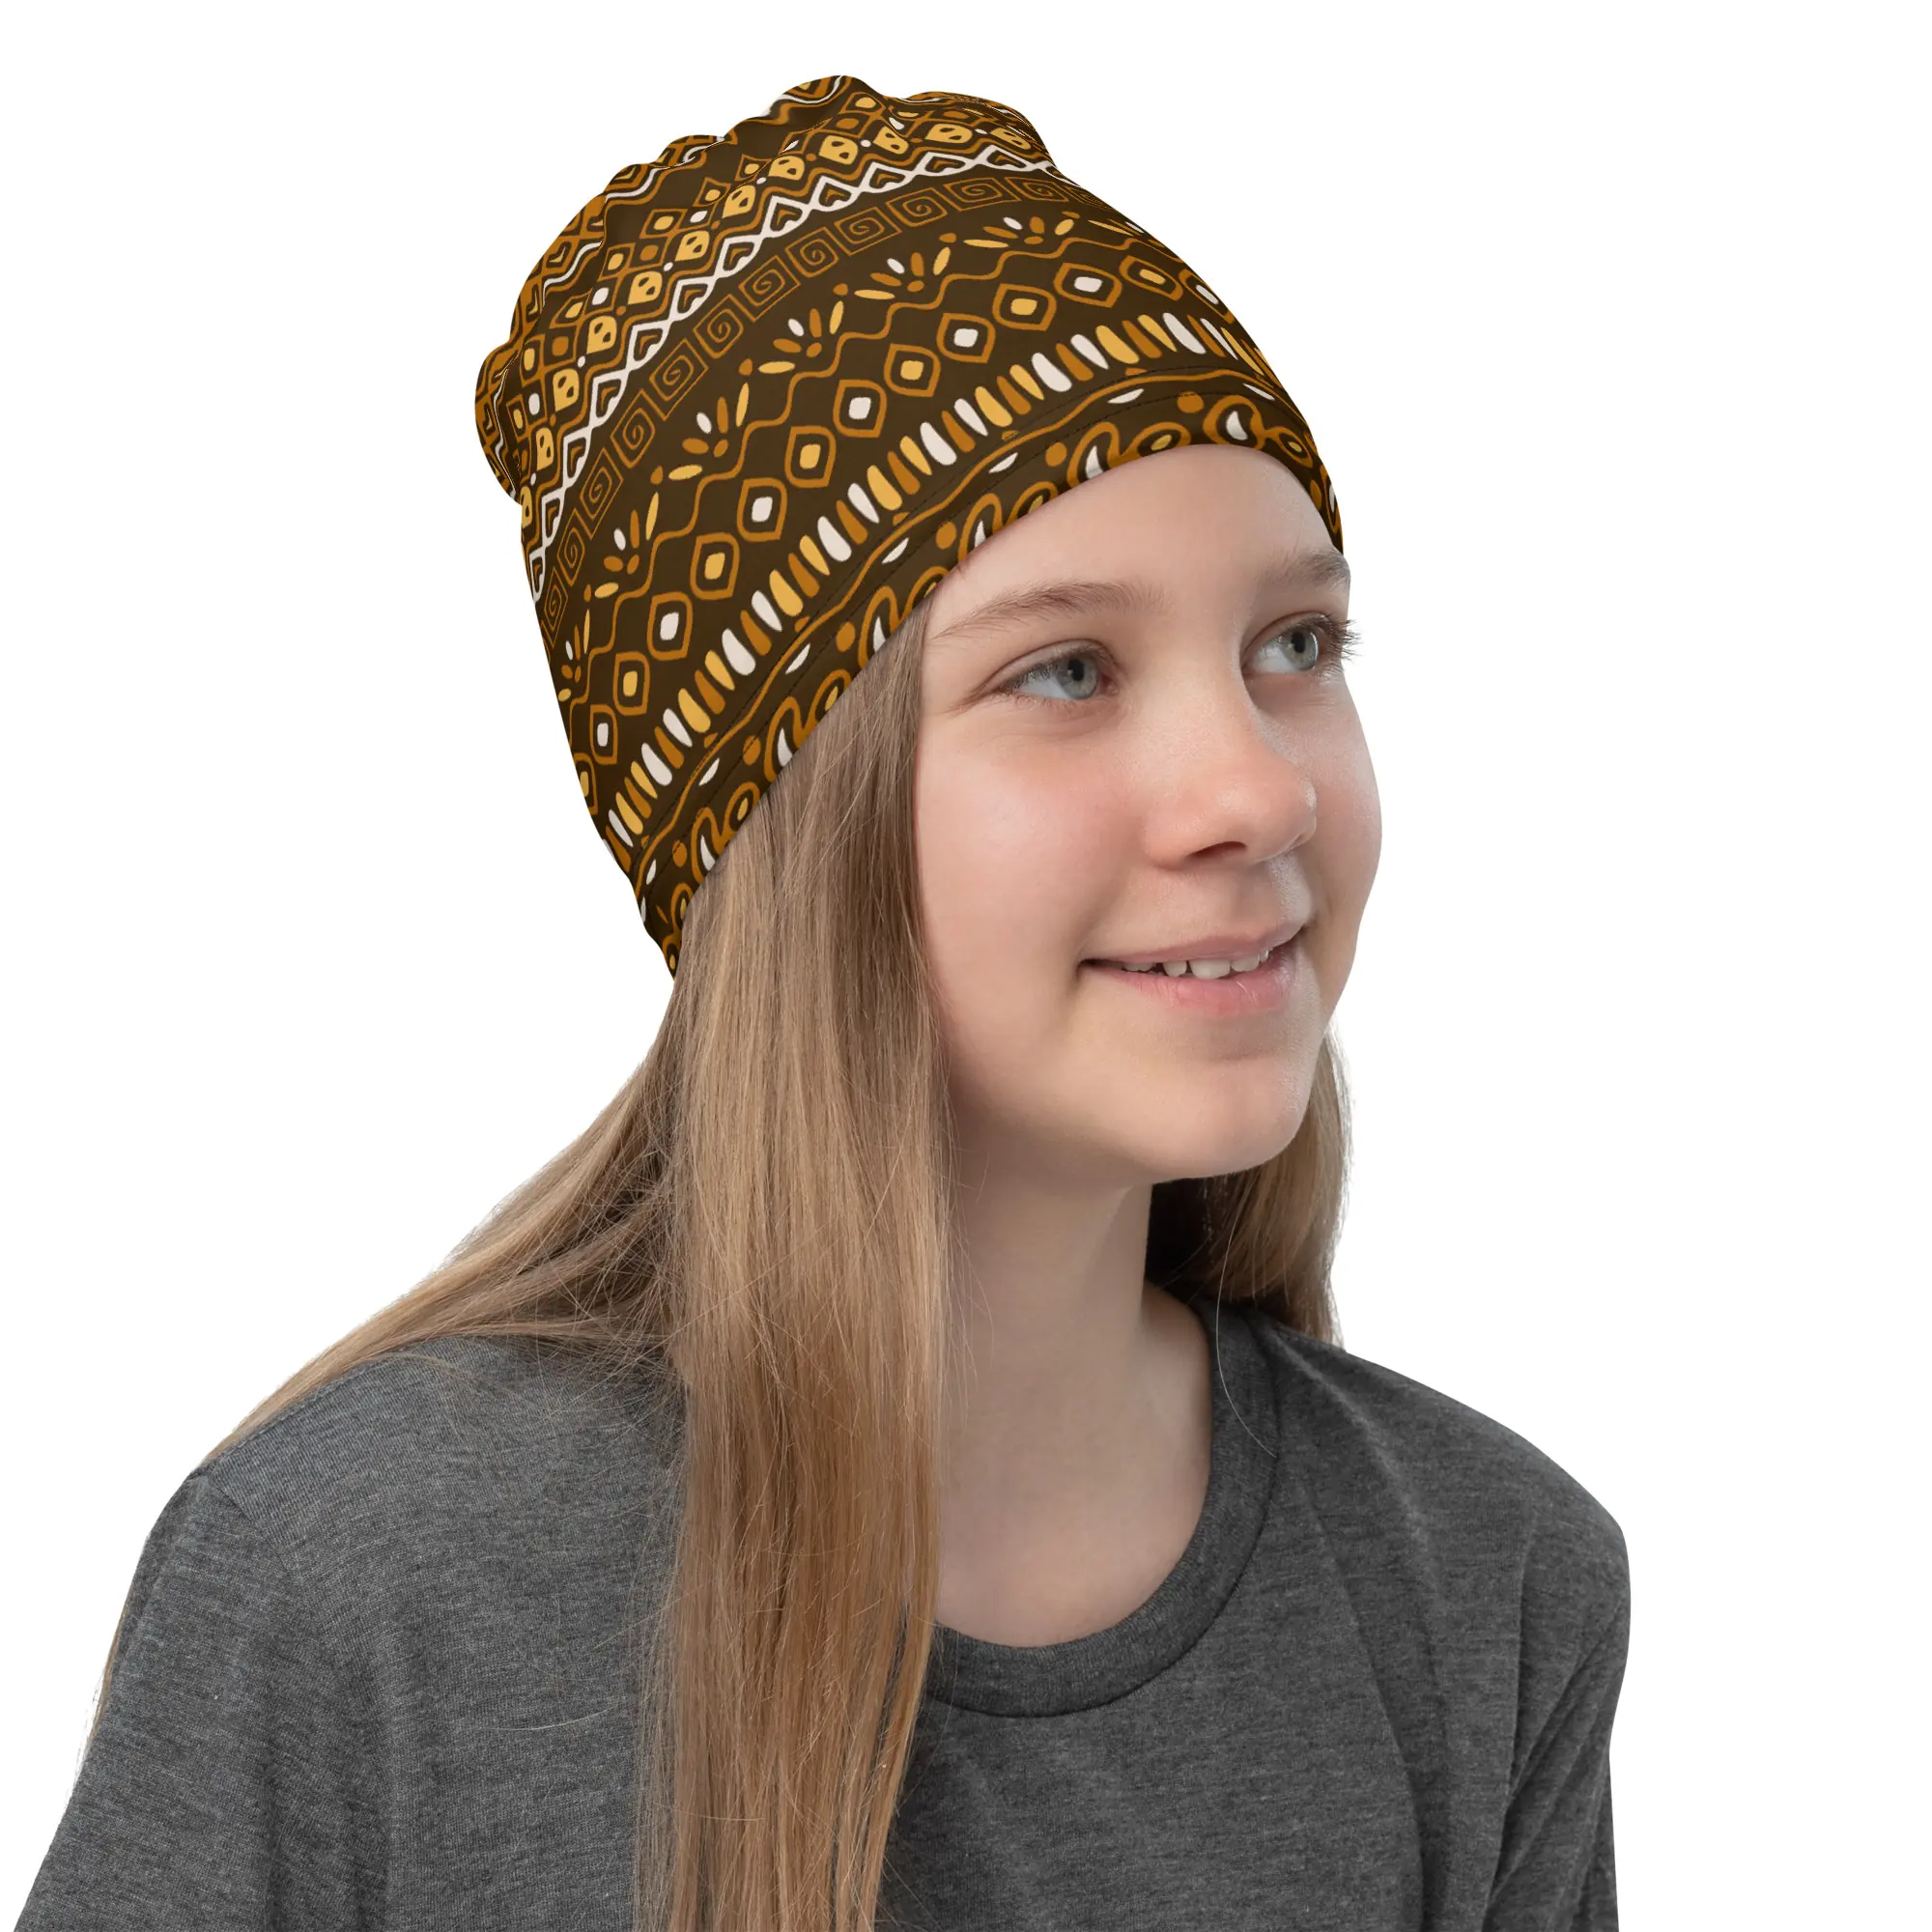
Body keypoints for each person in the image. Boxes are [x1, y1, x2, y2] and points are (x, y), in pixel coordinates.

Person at [18, 73, 1630, 1932]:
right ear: (780, 827)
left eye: (1296, 643)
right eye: (1069, 671)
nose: (1259, 790)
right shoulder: (367, 1586)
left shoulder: (1486, 1583)